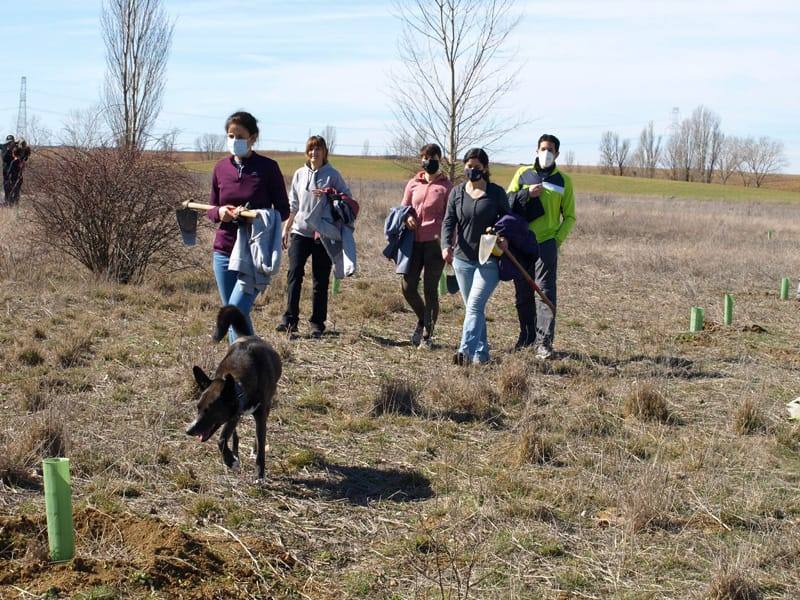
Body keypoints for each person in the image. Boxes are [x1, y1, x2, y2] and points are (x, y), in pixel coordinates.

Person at [206, 111, 290, 341]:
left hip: (253, 253)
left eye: (239, 136)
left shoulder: (268, 168)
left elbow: (283, 209)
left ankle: (247, 368)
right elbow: (211, 208)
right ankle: (245, 371)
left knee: (235, 311)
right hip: (224, 250)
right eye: (230, 135)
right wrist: (219, 213)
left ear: (253, 137)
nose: (234, 141)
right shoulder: (220, 168)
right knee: (236, 315)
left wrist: (256, 216)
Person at [506, 133, 576, 358]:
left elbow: (570, 216)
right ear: (536, 151)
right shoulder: (522, 173)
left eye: (550, 150)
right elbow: (507, 201)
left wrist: (556, 240)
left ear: (556, 153)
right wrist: (526, 193)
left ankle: (544, 343)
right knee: (522, 292)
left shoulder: (564, 181)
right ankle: (526, 337)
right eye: (543, 148)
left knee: (545, 292)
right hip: (520, 241)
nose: (546, 153)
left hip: (545, 243)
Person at [278, 135, 352, 338]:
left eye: (318, 149)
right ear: (307, 152)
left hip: (323, 235)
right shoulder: (299, 174)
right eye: (311, 149)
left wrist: (330, 194)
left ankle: (317, 324)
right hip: (300, 232)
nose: (314, 153)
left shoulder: (333, 175)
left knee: (320, 280)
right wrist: (286, 227)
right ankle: (289, 320)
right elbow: (294, 204)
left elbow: (347, 199)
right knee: (294, 274)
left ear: (324, 152)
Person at [441, 148, 510, 365]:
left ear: (485, 168)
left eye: (477, 167)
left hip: (488, 259)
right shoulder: (457, 192)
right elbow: (448, 221)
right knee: (475, 309)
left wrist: (503, 236)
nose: (472, 170)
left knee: (474, 306)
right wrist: (446, 245)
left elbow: (507, 221)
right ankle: (482, 354)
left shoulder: (497, 193)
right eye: (469, 166)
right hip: (462, 260)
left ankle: (465, 353)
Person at [400, 143, 452, 348]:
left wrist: (449, 245)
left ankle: (427, 336)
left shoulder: (447, 187)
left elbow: (451, 218)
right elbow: (403, 208)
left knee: (430, 290)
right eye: (424, 157)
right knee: (407, 286)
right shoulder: (413, 183)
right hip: (413, 242)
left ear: (439, 159)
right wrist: (407, 218)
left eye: (431, 157)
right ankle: (423, 319)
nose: (427, 160)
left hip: (435, 244)